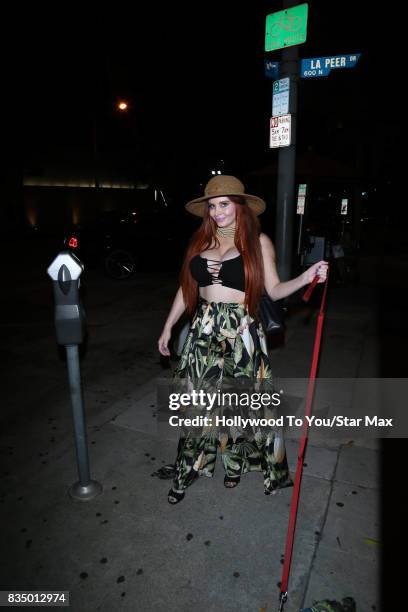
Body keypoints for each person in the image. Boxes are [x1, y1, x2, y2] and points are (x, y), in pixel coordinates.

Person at [157, 175, 328, 504]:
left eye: (224, 204)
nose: (218, 211)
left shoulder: (257, 242)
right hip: (204, 329)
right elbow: (186, 289)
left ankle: (234, 465)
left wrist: (306, 277)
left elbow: (274, 290)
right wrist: (168, 327)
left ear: (240, 207)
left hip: (242, 332)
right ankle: (188, 468)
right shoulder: (199, 242)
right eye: (212, 206)